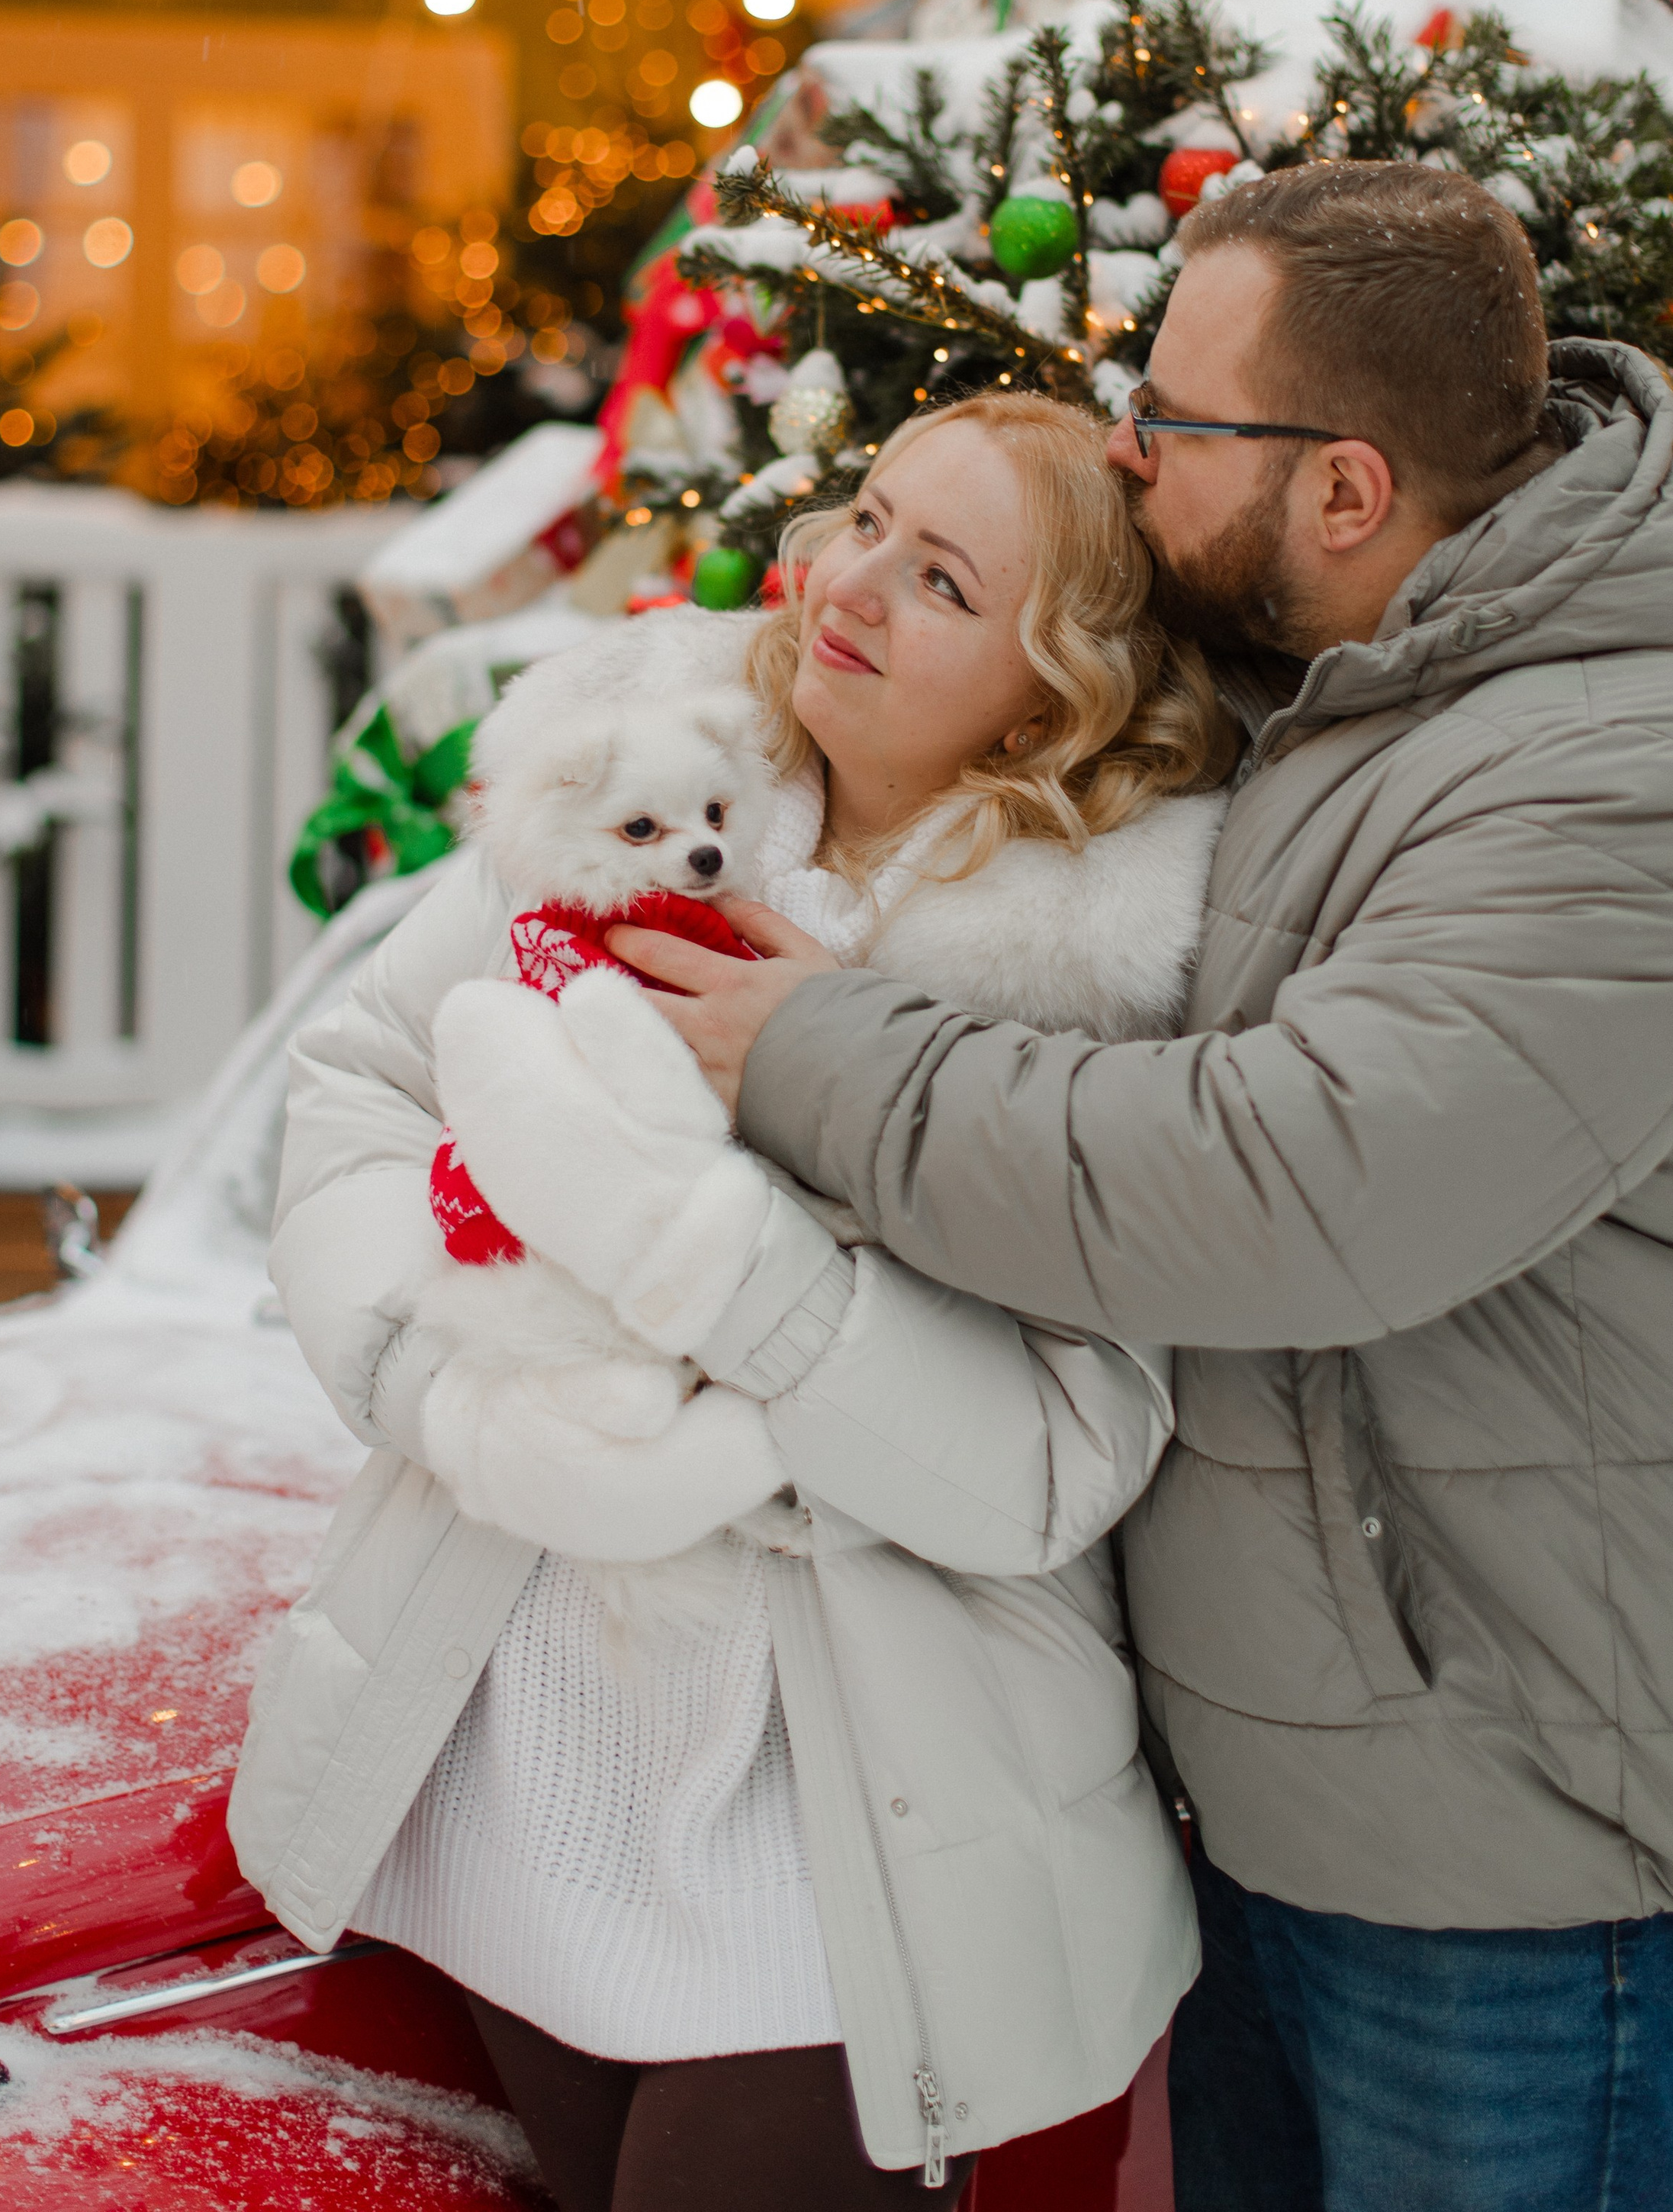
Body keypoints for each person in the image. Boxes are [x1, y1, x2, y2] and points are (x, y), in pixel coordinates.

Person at [612, 159, 1673, 2212]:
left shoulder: (1608, 772)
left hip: (1529, 1879)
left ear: (1348, 489)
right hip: (1298, 1808)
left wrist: (820, 1056)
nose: (1127, 446)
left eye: (1176, 424)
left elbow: (1297, 1185)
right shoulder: (1360, 682)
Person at [230, 392, 1234, 2210]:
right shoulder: (660, 778)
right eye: (863, 516)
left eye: (938, 579)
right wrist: (450, 1394)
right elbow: (367, 1079)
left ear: (1048, 687)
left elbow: (1049, 1463)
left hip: (843, 1812)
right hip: (518, 1730)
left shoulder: (1076, 982)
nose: (848, 582)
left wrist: (713, 1238)